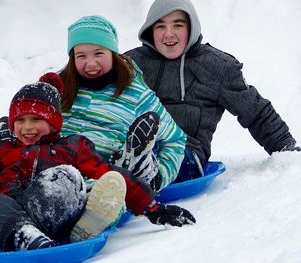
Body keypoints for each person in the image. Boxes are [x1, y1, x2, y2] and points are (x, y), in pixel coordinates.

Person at [0, 77, 195, 251]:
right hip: (6, 219)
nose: (27, 127)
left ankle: (27, 235)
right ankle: (20, 235)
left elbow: (113, 174)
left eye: (36, 119)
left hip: (48, 213)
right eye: (20, 120)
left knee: (66, 177)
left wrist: (155, 209)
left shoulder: (71, 148)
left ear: (54, 122)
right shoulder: (7, 152)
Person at [125, 0, 300, 181]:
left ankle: (131, 171)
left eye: (178, 25)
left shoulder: (217, 67)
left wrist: (286, 148)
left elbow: (255, 112)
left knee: (144, 155)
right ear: (150, 31)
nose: (168, 34)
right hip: (129, 145)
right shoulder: (130, 65)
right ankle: (114, 177)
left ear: (191, 28)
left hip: (185, 154)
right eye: (160, 26)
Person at [55, 15, 188, 193]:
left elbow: (175, 139)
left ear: (113, 54)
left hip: (104, 180)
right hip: (53, 171)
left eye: (99, 53)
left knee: (104, 184)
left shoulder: (135, 94)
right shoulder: (59, 88)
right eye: (81, 56)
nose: (91, 63)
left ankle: (140, 165)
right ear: (72, 58)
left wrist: (160, 177)